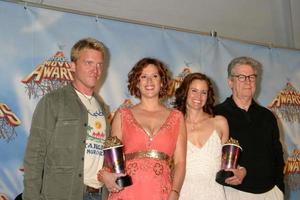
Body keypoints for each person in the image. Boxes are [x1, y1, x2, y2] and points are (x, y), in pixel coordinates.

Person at [23, 37, 110, 200]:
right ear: (73, 65)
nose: (95, 70)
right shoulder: (53, 101)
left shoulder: (103, 109)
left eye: (99, 65)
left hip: (98, 195)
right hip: (62, 194)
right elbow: (35, 154)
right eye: (89, 63)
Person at [97, 57, 187, 200]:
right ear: (137, 83)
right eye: (143, 76)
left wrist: (175, 192)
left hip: (161, 192)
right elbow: (111, 159)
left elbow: (180, 162)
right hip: (126, 191)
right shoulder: (123, 115)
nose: (149, 81)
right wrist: (105, 175)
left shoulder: (177, 117)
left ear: (162, 81)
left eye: (154, 76)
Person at [214, 56, 285, 199]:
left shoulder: (268, 116)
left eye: (251, 77)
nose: (248, 82)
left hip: (270, 193)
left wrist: (279, 189)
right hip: (235, 193)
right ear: (230, 82)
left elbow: (277, 156)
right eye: (241, 77)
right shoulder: (215, 114)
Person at [174, 72, 230, 199]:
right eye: (194, 90)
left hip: (215, 194)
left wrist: (240, 169)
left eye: (203, 92)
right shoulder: (173, 124)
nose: (198, 96)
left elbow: (227, 163)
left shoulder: (220, 122)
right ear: (185, 92)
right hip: (183, 194)